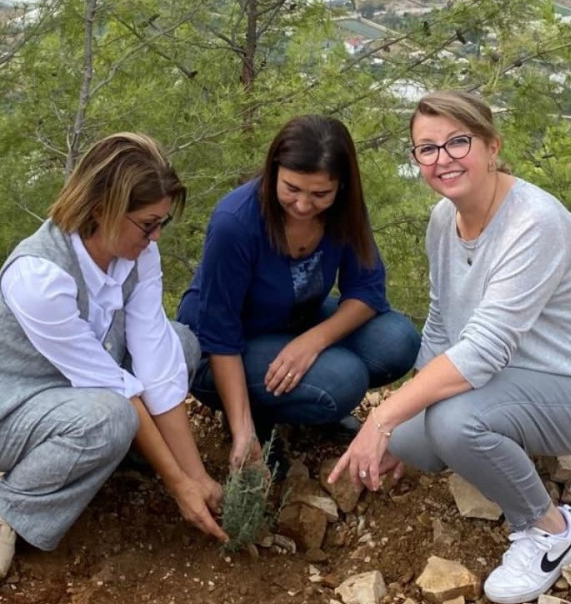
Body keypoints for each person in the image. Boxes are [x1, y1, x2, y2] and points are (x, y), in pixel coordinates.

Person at [330, 91, 571, 604]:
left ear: (491, 146)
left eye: (458, 142)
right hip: (518, 380)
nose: (443, 159)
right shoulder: (443, 219)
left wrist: (382, 417)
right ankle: (503, 439)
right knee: (415, 441)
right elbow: (441, 320)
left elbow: (482, 352)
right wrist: (405, 417)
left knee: (455, 423)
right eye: (427, 149)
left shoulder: (534, 223)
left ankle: (549, 530)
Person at [0, 133, 227, 578]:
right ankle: (6, 507)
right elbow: (112, 385)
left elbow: (154, 359)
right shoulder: (40, 276)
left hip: (74, 393)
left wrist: (197, 475)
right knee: (111, 417)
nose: (155, 238)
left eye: (161, 224)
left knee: (179, 345)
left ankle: (118, 458)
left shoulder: (136, 254)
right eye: (147, 224)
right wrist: (178, 486)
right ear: (102, 210)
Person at [177, 115, 420, 473]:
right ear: (274, 170)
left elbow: (367, 290)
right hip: (222, 347)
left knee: (398, 340)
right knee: (344, 380)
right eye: (291, 188)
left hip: (295, 320)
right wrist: (242, 428)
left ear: (341, 186)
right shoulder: (236, 222)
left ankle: (308, 403)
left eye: (320, 193)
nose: (304, 205)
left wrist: (312, 342)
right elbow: (219, 330)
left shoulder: (345, 211)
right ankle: (257, 421)